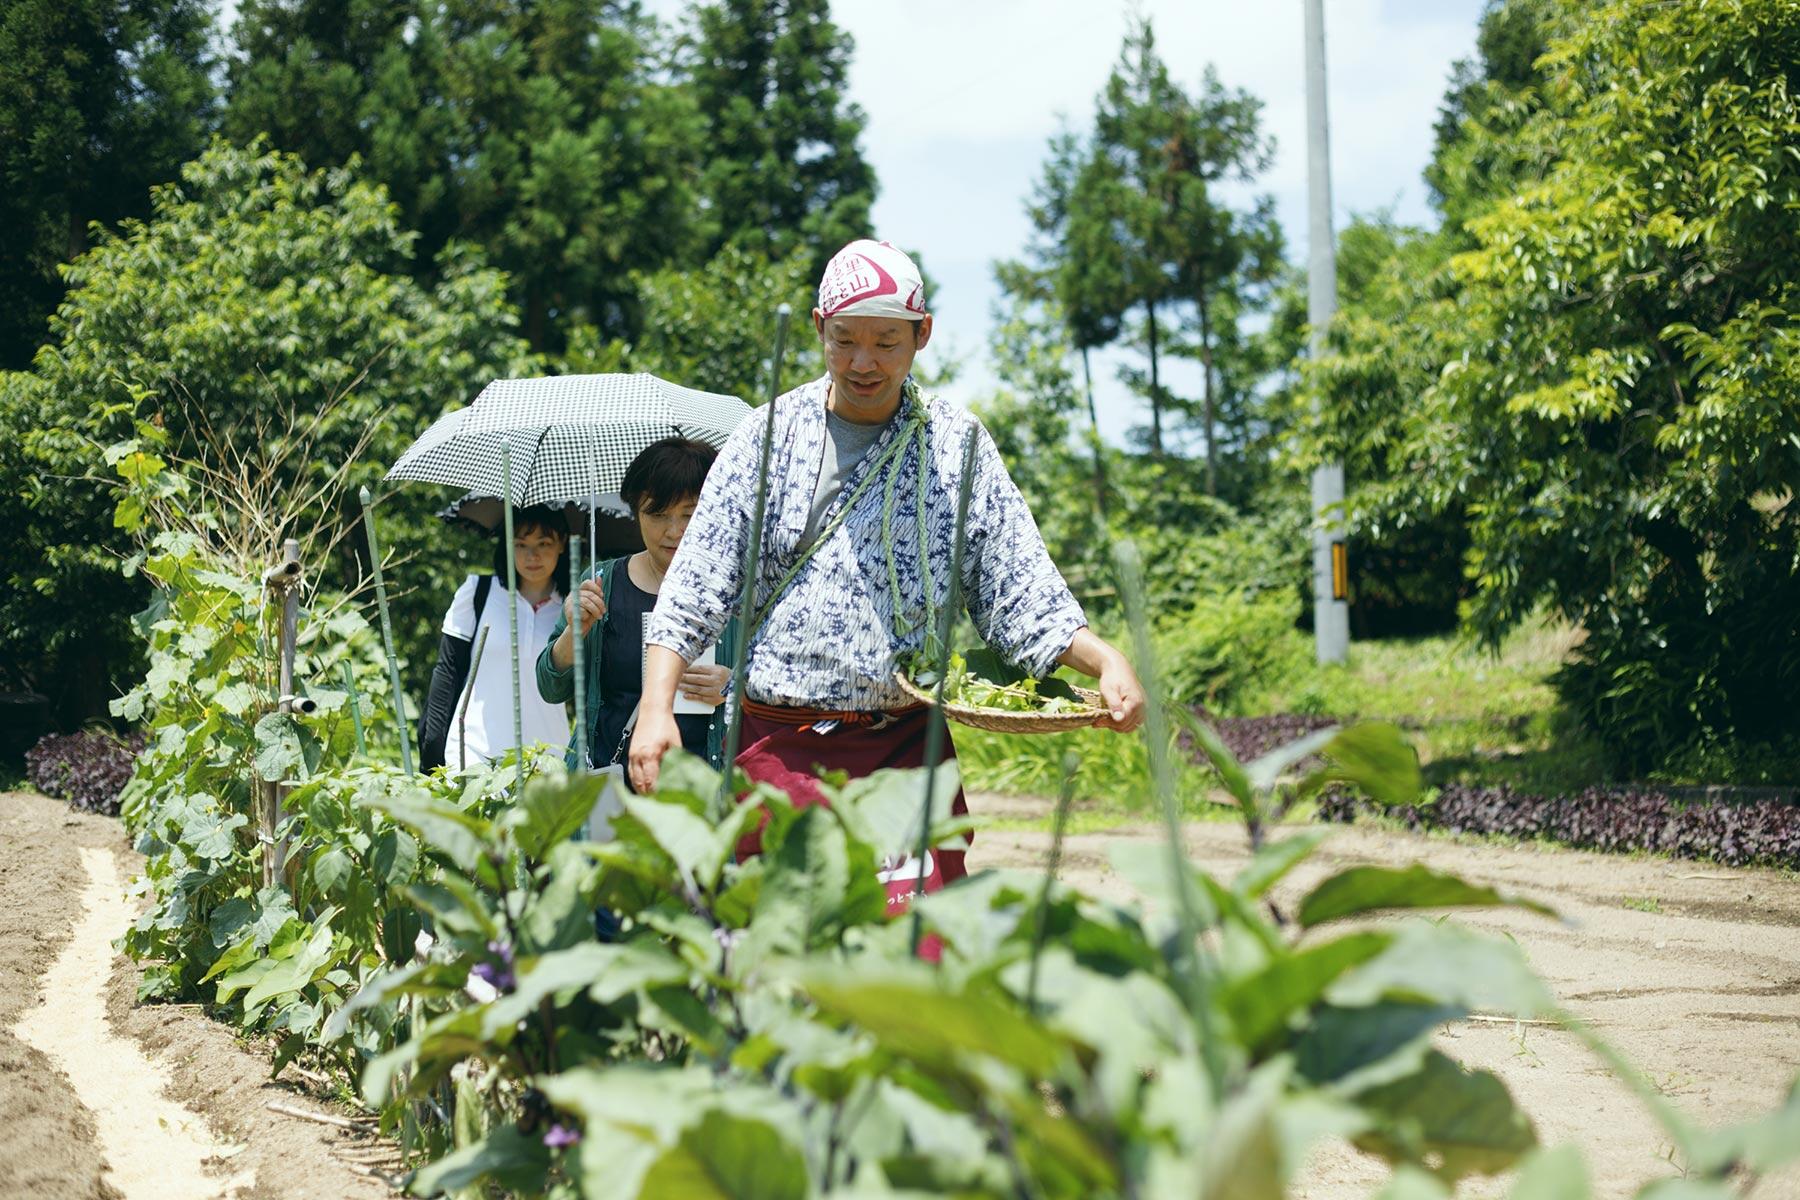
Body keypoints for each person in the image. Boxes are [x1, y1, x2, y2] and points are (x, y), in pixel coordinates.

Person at [631, 238, 1146, 897]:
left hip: (906, 752)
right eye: (845, 340)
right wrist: (655, 708)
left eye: (887, 342)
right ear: (819, 328)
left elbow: (1017, 588)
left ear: (921, 335)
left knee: (915, 971)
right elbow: (695, 586)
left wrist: (1104, 661)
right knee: (783, 972)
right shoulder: (766, 439)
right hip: (777, 750)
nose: (864, 362)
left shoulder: (956, 444)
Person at [537, 438, 736, 776]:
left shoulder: (738, 589)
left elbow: (784, 686)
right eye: (657, 515)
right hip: (608, 785)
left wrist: (734, 688)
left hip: (705, 790)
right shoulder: (602, 582)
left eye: (690, 513)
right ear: (635, 513)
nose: (674, 531)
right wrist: (574, 632)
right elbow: (550, 686)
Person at [418, 506, 572, 772]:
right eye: (521, 544)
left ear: (562, 543)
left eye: (544, 543)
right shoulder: (478, 592)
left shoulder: (573, 610)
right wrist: (432, 747)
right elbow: (447, 670)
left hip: (548, 757)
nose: (531, 555)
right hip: (473, 754)